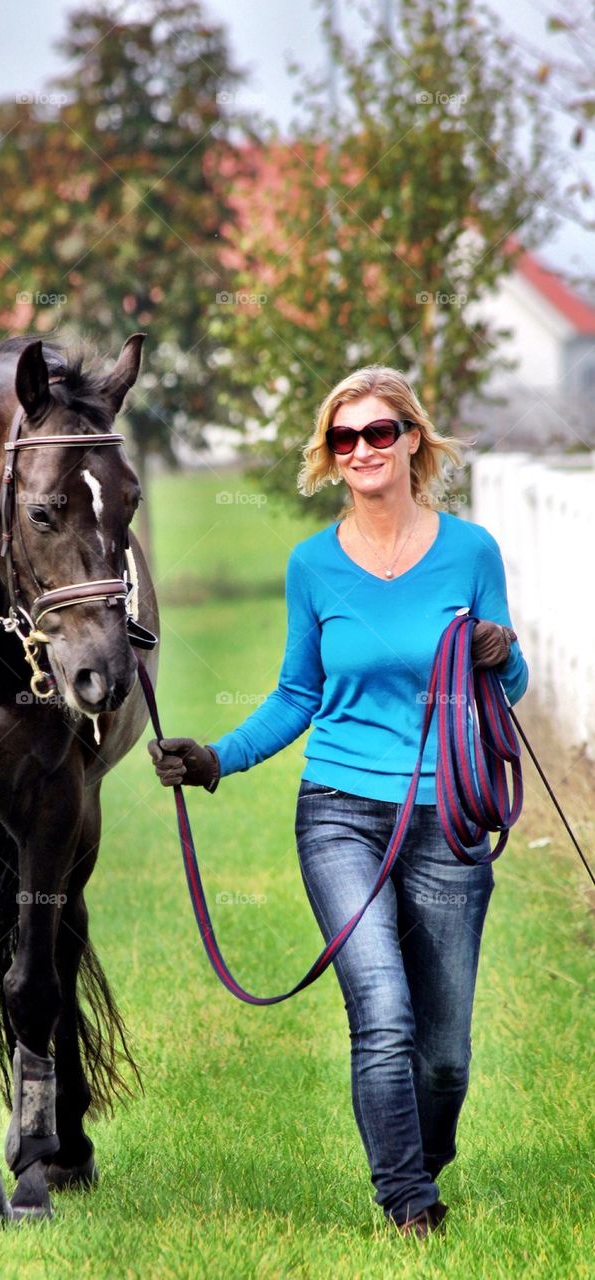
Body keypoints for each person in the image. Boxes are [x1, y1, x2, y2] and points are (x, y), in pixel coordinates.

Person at [148, 366, 527, 1237]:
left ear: (412, 442)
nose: (362, 449)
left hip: (452, 817)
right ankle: (408, 1204)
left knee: (442, 1061)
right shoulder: (312, 564)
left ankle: (418, 1160)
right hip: (340, 812)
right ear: (331, 454)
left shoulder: (470, 552)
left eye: (378, 433)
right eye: (345, 437)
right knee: (381, 1013)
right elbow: (296, 695)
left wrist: (499, 653)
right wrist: (216, 758)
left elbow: (514, 682)